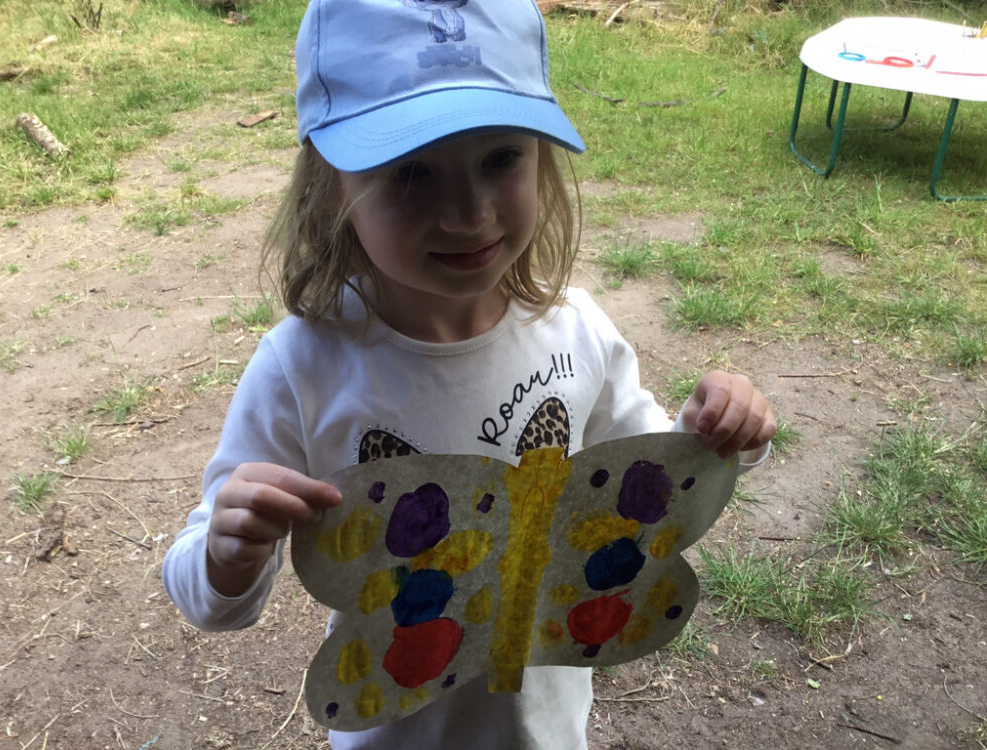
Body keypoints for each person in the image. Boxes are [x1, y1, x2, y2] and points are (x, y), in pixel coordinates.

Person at [161, 0, 777, 747]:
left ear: (541, 159)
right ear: (331, 186)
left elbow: (647, 478)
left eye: (500, 159)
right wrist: (228, 553)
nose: (467, 213)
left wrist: (715, 430)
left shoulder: (578, 330)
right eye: (411, 172)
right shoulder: (302, 369)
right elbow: (208, 597)